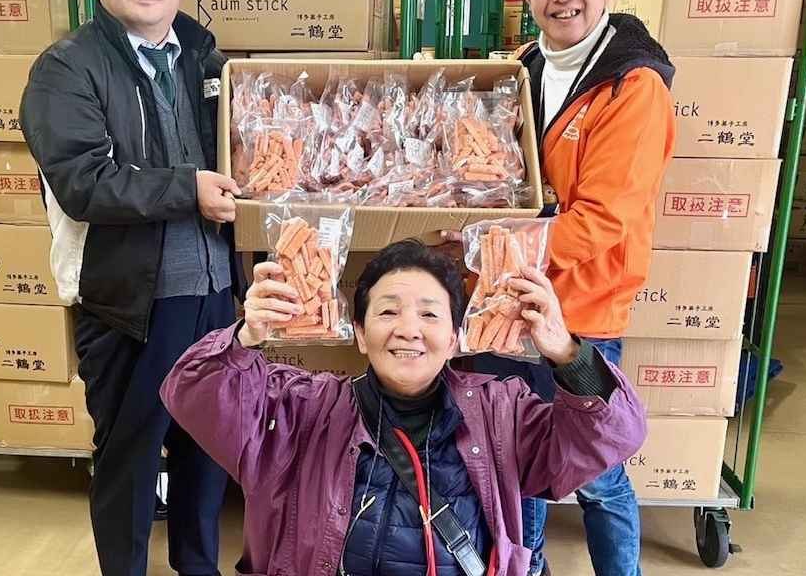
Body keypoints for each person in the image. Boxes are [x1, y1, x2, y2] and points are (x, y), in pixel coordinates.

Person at [161, 239, 647, 575]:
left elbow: (614, 435)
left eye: (430, 314)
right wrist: (246, 335)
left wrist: (566, 351)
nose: (408, 329)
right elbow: (192, 395)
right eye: (388, 311)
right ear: (359, 333)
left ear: (455, 338)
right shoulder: (304, 409)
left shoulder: (501, 413)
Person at [20, 0, 244, 574]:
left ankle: (197, 567)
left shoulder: (205, 60)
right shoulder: (67, 69)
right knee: (129, 457)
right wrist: (188, 189)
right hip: (129, 305)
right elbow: (83, 182)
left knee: (208, 449)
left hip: (214, 296)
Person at [466, 0, 677, 576]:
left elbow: (603, 219)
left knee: (596, 469)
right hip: (515, 303)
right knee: (523, 458)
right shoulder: (524, 70)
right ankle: (526, 566)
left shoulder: (631, 85)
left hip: (582, 310)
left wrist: (491, 246)